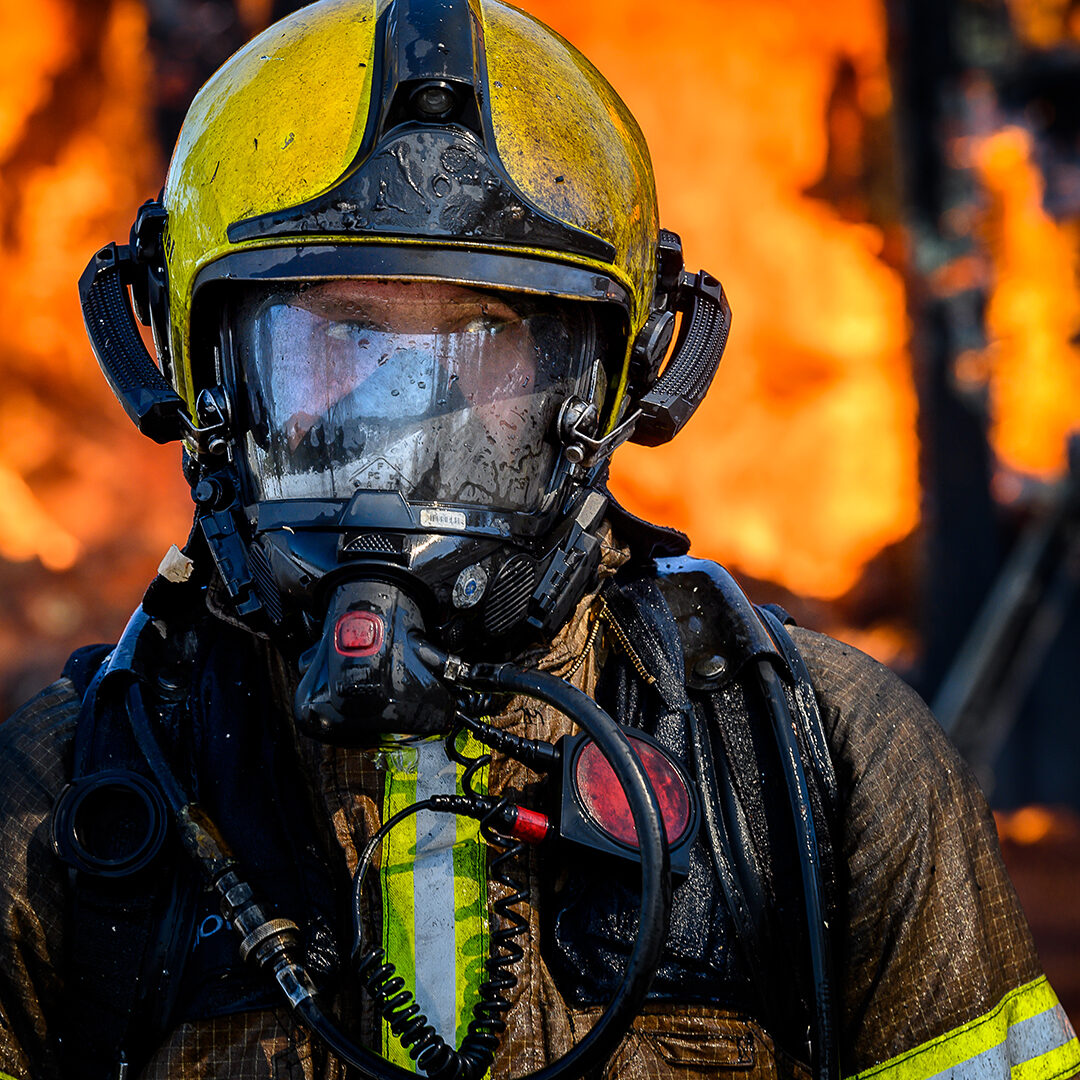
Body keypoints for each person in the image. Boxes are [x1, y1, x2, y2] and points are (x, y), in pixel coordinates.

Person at [1, 1, 1077, 1079]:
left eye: (483, 344)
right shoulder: (54, 805)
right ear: (200, 377)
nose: (398, 439)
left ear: (614, 383)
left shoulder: (827, 768)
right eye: (334, 335)